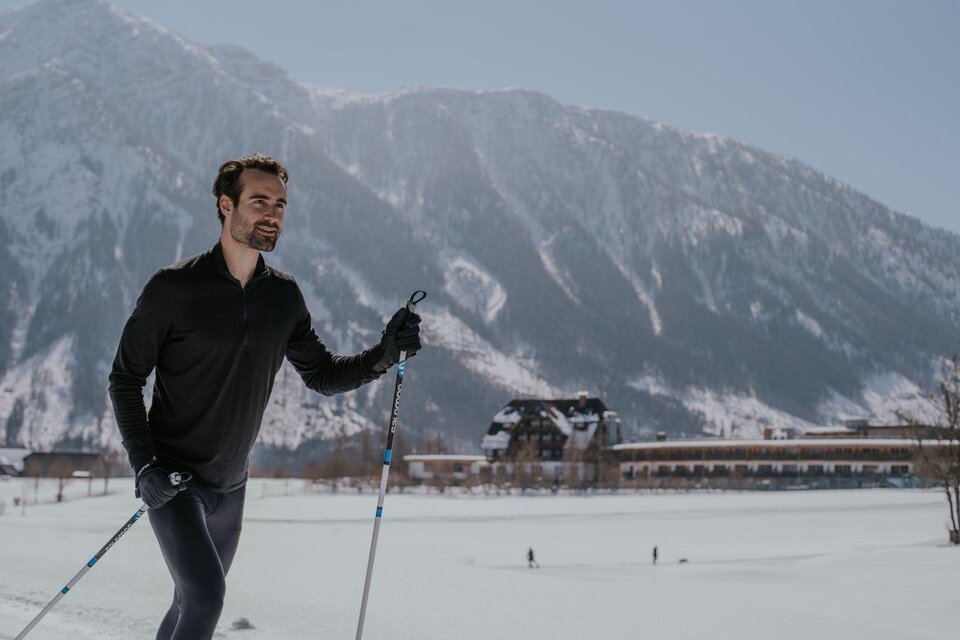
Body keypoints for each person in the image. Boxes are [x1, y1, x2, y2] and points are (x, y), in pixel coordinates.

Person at [108, 154, 422, 640]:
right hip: (173, 482)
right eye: (259, 201)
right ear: (226, 204)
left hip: (231, 485)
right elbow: (125, 379)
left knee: (189, 600)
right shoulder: (172, 289)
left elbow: (321, 374)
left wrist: (383, 354)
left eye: (280, 203)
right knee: (207, 598)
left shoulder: (283, 297)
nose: (272, 212)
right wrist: (145, 466)